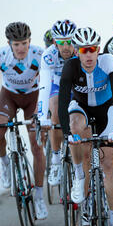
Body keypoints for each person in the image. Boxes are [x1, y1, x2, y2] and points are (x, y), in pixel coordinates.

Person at [58, 27, 113, 226]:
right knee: (77, 129)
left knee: (108, 165)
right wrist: (68, 134)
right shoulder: (71, 66)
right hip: (82, 109)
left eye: (93, 50)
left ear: (99, 50)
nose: (89, 55)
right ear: (78, 51)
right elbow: (62, 101)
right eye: (84, 50)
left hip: (107, 110)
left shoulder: (108, 62)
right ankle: (79, 177)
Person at [0, 22, 48, 220]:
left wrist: (43, 115)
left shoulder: (39, 54)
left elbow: (47, 83)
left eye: (24, 43)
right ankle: (5, 163)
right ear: (9, 44)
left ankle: (38, 195)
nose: (21, 48)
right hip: (9, 96)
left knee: (37, 145)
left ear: (30, 42)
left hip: (34, 97)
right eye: (17, 44)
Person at [37, 19, 77, 187]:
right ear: (54, 42)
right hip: (57, 84)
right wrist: (41, 116)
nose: (66, 47)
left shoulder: (81, 51)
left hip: (76, 83)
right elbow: (44, 86)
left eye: (69, 41)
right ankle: (55, 160)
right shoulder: (48, 55)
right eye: (61, 42)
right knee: (55, 111)